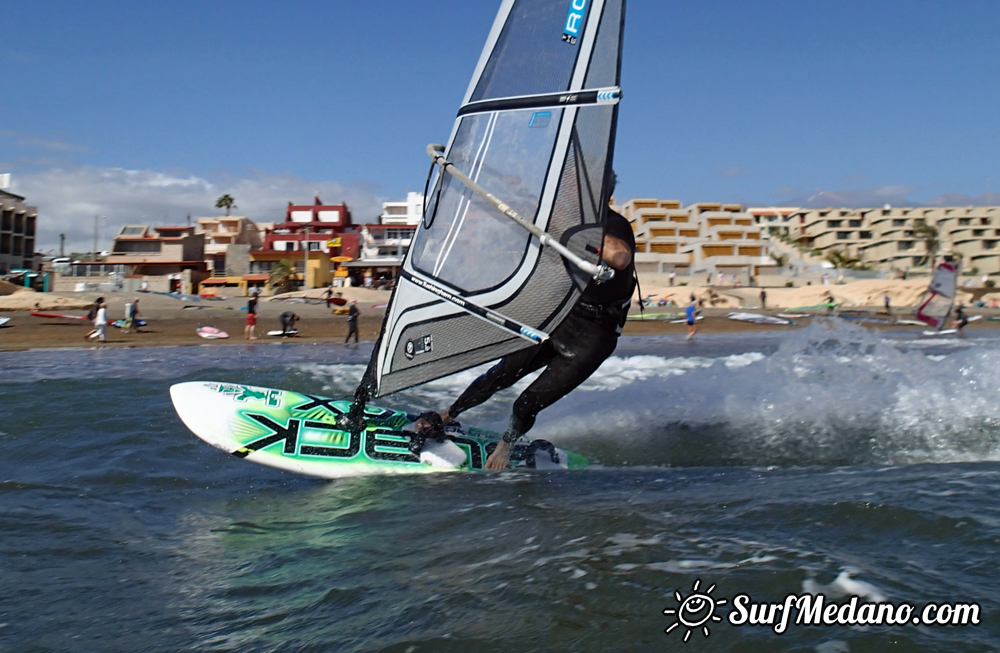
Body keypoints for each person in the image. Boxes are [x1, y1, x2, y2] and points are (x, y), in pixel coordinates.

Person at [430, 207, 636, 470]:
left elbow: (620, 258)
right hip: (563, 318)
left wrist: (587, 240)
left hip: (593, 338)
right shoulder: (564, 218)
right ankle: (450, 413)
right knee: (500, 374)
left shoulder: (614, 224)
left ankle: (507, 444)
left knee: (527, 402)